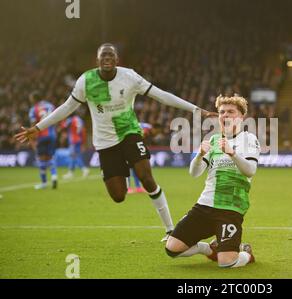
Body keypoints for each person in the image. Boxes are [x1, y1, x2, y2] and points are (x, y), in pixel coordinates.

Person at [15, 43, 215, 242]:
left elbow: (161, 96)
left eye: (111, 55)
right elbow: (67, 108)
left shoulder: (129, 76)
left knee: (146, 179)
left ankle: (170, 229)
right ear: (97, 60)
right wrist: (37, 128)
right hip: (105, 142)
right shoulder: (86, 81)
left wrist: (196, 109)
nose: (107, 58)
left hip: (129, 133)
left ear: (117, 60)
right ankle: (123, 170)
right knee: (118, 196)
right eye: (104, 55)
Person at [165, 95, 259, 268]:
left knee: (227, 264)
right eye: (222, 112)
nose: (225, 115)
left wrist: (233, 153)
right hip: (204, 205)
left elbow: (250, 170)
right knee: (172, 249)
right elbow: (194, 173)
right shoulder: (214, 140)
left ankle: (245, 252)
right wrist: (199, 155)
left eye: (231, 111)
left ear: (241, 116)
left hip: (231, 207)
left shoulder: (249, 139)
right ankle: (208, 249)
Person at [28, 91, 58, 190]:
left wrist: (32, 139)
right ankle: (54, 177)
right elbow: (57, 118)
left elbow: (33, 125)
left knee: (41, 159)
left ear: (34, 99)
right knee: (50, 157)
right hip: (52, 134)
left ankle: (44, 183)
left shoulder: (33, 109)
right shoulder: (50, 106)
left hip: (41, 136)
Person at [60, 114, 90, 179]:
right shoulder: (80, 120)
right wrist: (83, 142)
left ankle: (84, 169)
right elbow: (83, 131)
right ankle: (71, 172)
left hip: (73, 140)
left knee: (74, 156)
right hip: (79, 139)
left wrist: (62, 118)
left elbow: (63, 126)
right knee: (74, 156)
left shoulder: (70, 120)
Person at [127, 122, 153, 194]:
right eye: (146, 131)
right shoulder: (134, 133)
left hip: (135, 153)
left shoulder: (138, 132)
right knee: (128, 171)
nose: (146, 133)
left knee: (136, 171)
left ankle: (138, 187)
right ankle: (128, 188)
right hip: (129, 153)